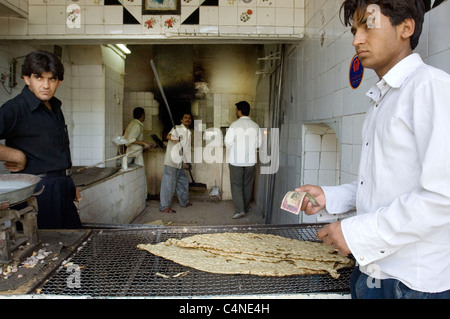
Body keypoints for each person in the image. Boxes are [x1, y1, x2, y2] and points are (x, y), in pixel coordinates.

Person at [296, 0, 450, 299]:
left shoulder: (431, 89)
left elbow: (443, 196)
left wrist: (355, 233)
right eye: (354, 29)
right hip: (372, 272)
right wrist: (331, 196)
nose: (357, 39)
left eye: (368, 25)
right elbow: (383, 186)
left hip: (412, 285)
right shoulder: (383, 98)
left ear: (406, 27)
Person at [0, 51, 82, 229]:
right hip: (37, 193)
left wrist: (67, 183)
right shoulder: (16, 108)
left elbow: (55, 153)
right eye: (39, 78)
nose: (46, 85)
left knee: (74, 245)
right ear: (27, 79)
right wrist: (15, 155)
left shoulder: (54, 107)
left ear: (59, 81)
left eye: (52, 79)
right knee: (46, 251)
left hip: (61, 189)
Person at [224, 101, 262, 219]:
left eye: (236, 110)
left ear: (240, 111)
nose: (236, 112)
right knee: (247, 184)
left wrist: (237, 147)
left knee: (236, 185)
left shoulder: (234, 125)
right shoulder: (255, 126)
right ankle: (245, 207)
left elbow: (228, 143)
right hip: (250, 161)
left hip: (236, 161)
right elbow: (259, 144)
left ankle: (240, 210)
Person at [159, 113, 193, 213]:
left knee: (183, 181)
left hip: (179, 162)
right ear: (181, 120)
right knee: (168, 183)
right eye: (185, 118)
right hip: (171, 161)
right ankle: (164, 206)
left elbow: (185, 149)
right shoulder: (177, 128)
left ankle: (184, 202)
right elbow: (167, 136)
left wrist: (185, 162)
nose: (187, 119)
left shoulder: (189, 132)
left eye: (189, 118)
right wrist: (175, 138)